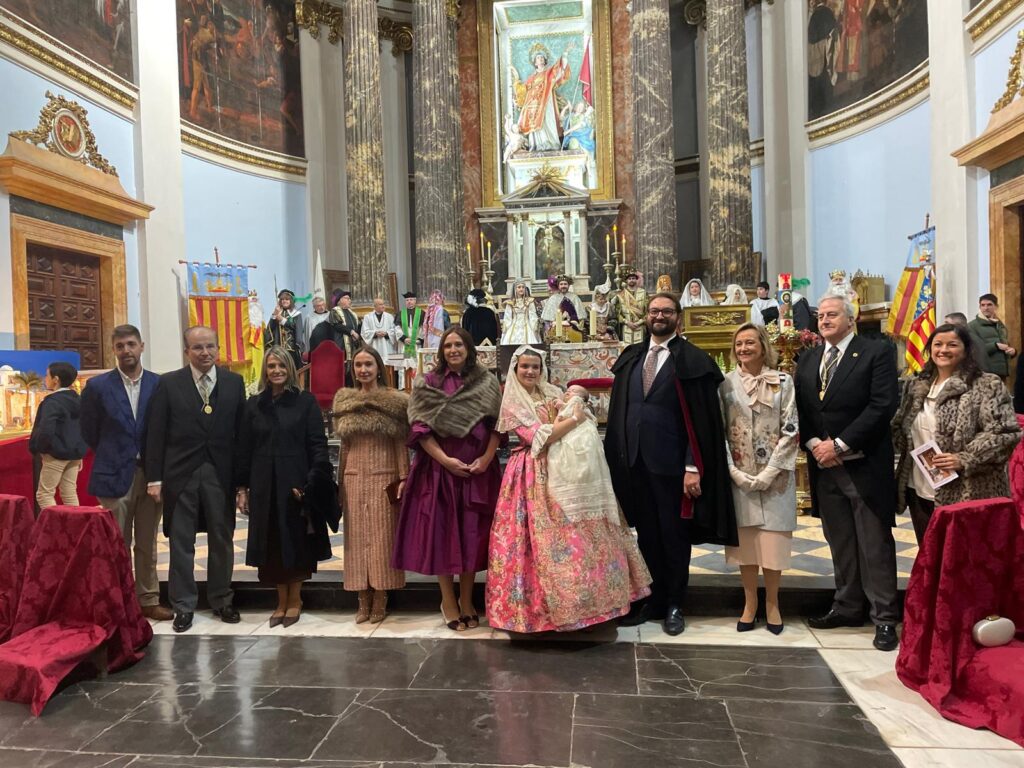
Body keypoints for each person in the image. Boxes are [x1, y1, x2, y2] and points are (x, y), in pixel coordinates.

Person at [487, 349, 651, 633]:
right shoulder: (512, 401)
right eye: (524, 366)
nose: (530, 371)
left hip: (570, 471)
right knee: (538, 543)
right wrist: (573, 419)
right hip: (531, 473)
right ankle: (539, 613)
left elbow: (579, 413)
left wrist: (575, 412)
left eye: (535, 366)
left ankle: (590, 604)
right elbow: (540, 436)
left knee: (579, 537)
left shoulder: (552, 391)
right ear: (515, 369)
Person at [605, 293, 736, 635]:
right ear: (645, 317)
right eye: (653, 311)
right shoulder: (631, 357)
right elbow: (620, 410)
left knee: (674, 536)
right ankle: (654, 599)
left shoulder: (693, 360)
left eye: (666, 311)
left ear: (678, 317)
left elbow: (704, 422)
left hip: (673, 468)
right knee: (646, 536)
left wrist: (693, 467)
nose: (659, 316)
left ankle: (676, 602)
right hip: (635, 464)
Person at [795, 294, 900, 651]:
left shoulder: (876, 352)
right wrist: (814, 444)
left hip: (864, 463)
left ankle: (885, 617)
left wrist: (838, 444)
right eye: (820, 315)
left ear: (851, 319)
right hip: (824, 467)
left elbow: (882, 405)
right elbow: (804, 410)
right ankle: (848, 605)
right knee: (839, 540)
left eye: (832, 314)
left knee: (874, 544)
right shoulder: (808, 359)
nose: (824, 320)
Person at [392, 327, 503, 631]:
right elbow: (419, 429)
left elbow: (498, 425)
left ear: (469, 348)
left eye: (458, 345)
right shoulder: (428, 383)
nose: (453, 350)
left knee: (471, 535)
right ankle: (448, 600)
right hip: (439, 471)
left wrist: (487, 458)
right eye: (448, 345)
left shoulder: (486, 381)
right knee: (444, 534)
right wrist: (446, 461)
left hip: (477, 470)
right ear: (441, 350)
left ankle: (467, 599)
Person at [145, 326, 246, 633]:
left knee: (221, 538)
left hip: (220, 472)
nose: (205, 353)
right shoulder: (169, 383)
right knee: (181, 541)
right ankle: (183, 604)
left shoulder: (233, 382)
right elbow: (156, 433)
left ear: (218, 349)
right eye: (198, 347)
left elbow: (241, 436)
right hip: (180, 474)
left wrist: (242, 483)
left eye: (210, 347)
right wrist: (154, 478)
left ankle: (221, 598)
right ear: (186, 351)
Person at [235, 347, 337, 628]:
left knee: (296, 540)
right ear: (265, 371)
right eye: (271, 366)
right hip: (263, 481)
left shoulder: (305, 402)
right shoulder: (254, 404)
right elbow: (244, 448)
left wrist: (314, 479)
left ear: (290, 369)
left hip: (296, 480)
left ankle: (295, 599)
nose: (276, 370)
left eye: (281, 365)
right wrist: (242, 488)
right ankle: (280, 600)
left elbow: (317, 444)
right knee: (271, 541)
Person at [893, 324, 1020, 544]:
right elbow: (900, 430)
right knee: (929, 556)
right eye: (938, 344)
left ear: (966, 349)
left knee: (964, 562)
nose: (943, 350)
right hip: (919, 486)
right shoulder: (916, 385)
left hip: (969, 491)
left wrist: (963, 458)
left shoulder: (986, 384)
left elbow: (1004, 433)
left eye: (952, 344)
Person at [80, 325, 171, 621]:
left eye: (131, 344)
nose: (126, 351)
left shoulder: (159, 385)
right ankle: (116, 602)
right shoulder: (98, 387)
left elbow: (164, 430)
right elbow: (89, 431)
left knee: (146, 542)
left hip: (150, 475)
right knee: (115, 543)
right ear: (114, 349)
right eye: (120, 346)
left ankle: (147, 600)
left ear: (142, 346)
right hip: (113, 475)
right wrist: (114, 453)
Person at [719, 323, 798, 634]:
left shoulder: (783, 382)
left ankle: (773, 603)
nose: (743, 349)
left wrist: (770, 472)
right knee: (747, 545)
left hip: (776, 478)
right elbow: (719, 432)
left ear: (763, 346)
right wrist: (733, 471)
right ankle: (750, 602)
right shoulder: (724, 384)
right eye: (739, 344)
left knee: (773, 542)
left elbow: (791, 428)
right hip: (739, 477)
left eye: (750, 343)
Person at [332, 346, 409, 623]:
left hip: (383, 475)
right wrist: (340, 483)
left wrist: (403, 477)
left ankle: (381, 595)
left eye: (368, 364)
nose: (363, 370)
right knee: (355, 539)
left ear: (379, 367)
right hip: (354, 477)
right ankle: (361, 597)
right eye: (358, 365)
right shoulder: (345, 401)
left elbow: (400, 442)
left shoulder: (394, 401)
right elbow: (344, 447)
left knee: (382, 537)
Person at [29, 361, 87, 510]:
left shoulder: (52, 402)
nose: (44, 378)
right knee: (69, 492)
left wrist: (41, 449)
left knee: (44, 494)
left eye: (47, 375)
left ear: (56, 379)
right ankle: (75, 528)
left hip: (56, 453)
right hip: (75, 454)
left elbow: (46, 429)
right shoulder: (78, 399)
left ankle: (55, 530)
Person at [968, 294, 1016, 380]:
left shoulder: (1000, 325)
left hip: (1001, 372)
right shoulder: (972, 326)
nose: (986, 308)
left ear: (996, 306)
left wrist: (1012, 352)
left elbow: (1005, 345)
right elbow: (973, 349)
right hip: (984, 373)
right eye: (983, 305)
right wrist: (995, 346)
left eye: (989, 304)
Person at [267, 288, 306, 371]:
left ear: (291, 301)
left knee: (290, 370)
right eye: (282, 299)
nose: (284, 301)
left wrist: (282, 320)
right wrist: (274, 314)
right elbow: (270, 328)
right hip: (278, 348)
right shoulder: (277, 312)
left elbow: (297, 328)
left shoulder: (296, 313)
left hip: (291, 349)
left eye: (287, 299)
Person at [397, 291, 424, 388]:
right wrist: (404, 339)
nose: (409, 302)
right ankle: (405, 385)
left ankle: (416, 386)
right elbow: (397, 328)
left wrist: (419, 340)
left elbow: (423, 328)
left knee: (417, 364)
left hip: (416, 344)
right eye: (407, 300)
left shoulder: (421, 313)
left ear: (415, 301)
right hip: (405, 344)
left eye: (411, 299)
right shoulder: (401, 313)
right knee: (405, 363)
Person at [360, 297, 399, 364]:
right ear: (375, 306)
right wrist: (375, 333)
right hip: (374, 345)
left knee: (388, 365)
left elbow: (394, 330)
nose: (383, 306)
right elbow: (364, 332)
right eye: (381, 304)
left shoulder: (389, 316)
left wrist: (386, 333)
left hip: (387, 346)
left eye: (383, 304)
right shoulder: (368, 317)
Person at [501, 281, 540, 345]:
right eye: (519, 287)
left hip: (527, 326)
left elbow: (532, 315)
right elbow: (507, 317)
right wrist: (506, 329)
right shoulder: (510, 302)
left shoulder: (529, 301)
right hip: (513, 327)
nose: (521, 289)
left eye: (523, 287)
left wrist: (534, 326)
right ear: (515, 289)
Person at [614, 272, 647, 344]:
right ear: (626, 280)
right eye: (629, 279)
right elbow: (617, 313)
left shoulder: (643, 293)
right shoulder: (621, 295)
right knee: (627, 349)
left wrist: (639, 323)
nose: (631, 280)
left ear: (636, 280)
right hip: (626, 326)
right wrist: (627, 322)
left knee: (640, 349)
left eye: (633, 278)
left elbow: (648, 311)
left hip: (640, 326)